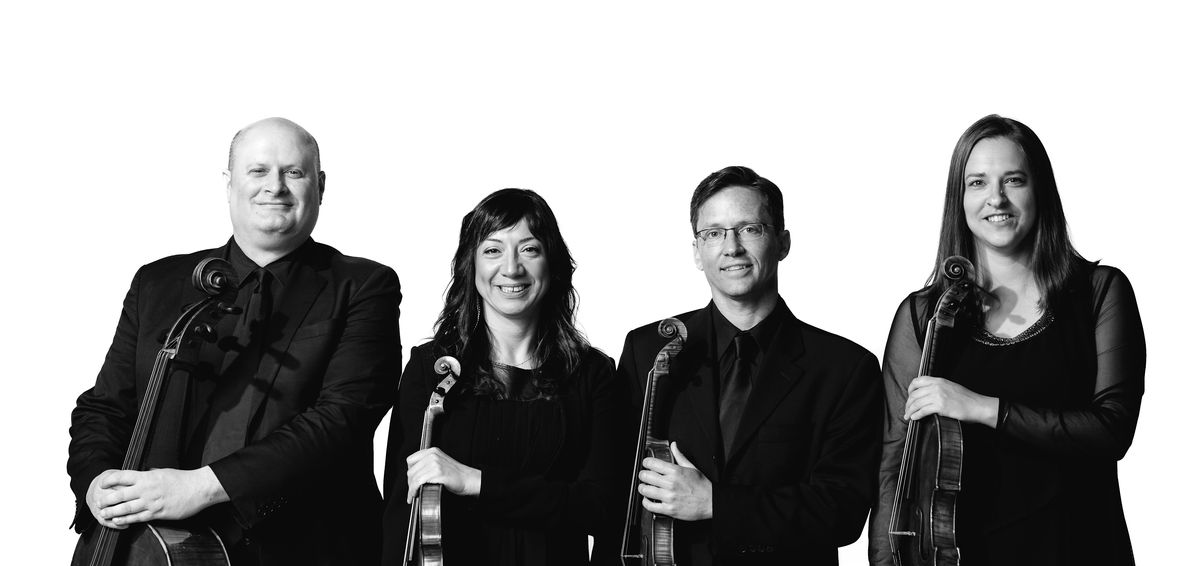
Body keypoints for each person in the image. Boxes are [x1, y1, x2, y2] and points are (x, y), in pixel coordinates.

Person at [67, 117, 403, 565]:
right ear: (230, 184)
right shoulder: (158, 282)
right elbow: (106, 407)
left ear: (320, 185)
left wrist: (200, 487)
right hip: (153, 550)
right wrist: (96, 483)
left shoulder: (363, 286)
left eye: (294, 172)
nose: (275, 187)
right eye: (258, 170)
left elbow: (342, 418)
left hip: (299, 548)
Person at [867, 115, 1146, 565]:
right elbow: (894, 463)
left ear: (1040, 191)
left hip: (1081, 549)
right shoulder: (924, 316)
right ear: (959, 199)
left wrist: (983, 407)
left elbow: (1111, 431)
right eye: (977, 182)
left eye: (1013, 180)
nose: (995, 198)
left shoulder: (1099, 292)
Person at [618, 166, 883, 565]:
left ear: (783, 243)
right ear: (697, 251)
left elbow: (842, 512)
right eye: (714, 233)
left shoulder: (845, 368)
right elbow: (619, 501)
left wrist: (715, 503)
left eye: (749, 229)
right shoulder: (647, 351)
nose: (732, 248)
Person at [381, 189, 629, 566]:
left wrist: (475, 482)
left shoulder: (592, 374)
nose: (511, 268)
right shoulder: (432, 368)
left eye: (529, 249)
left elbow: (602, 508)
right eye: (493, 250)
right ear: (471, 265)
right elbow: (401, 512)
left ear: (552, 263)